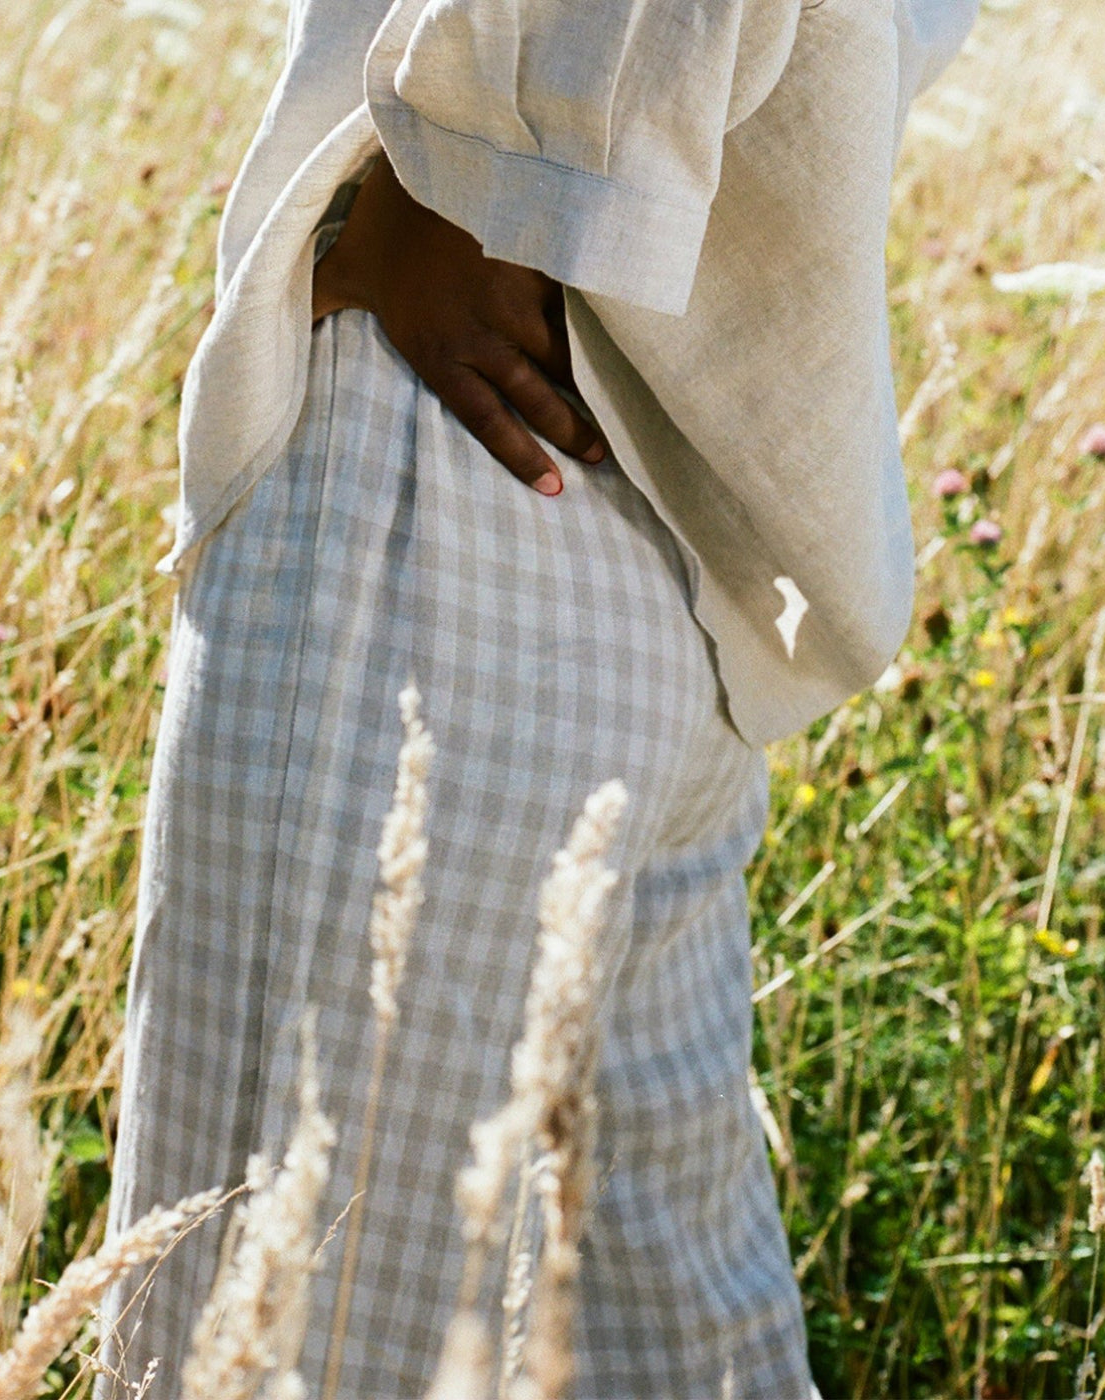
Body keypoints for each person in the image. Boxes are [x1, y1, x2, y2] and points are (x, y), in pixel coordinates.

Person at [99, 0, 980, 1395]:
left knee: (273, 1347)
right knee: (672, 1349)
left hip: (455, 462)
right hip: (671, 518)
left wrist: (481, 183)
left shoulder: (490, 219)